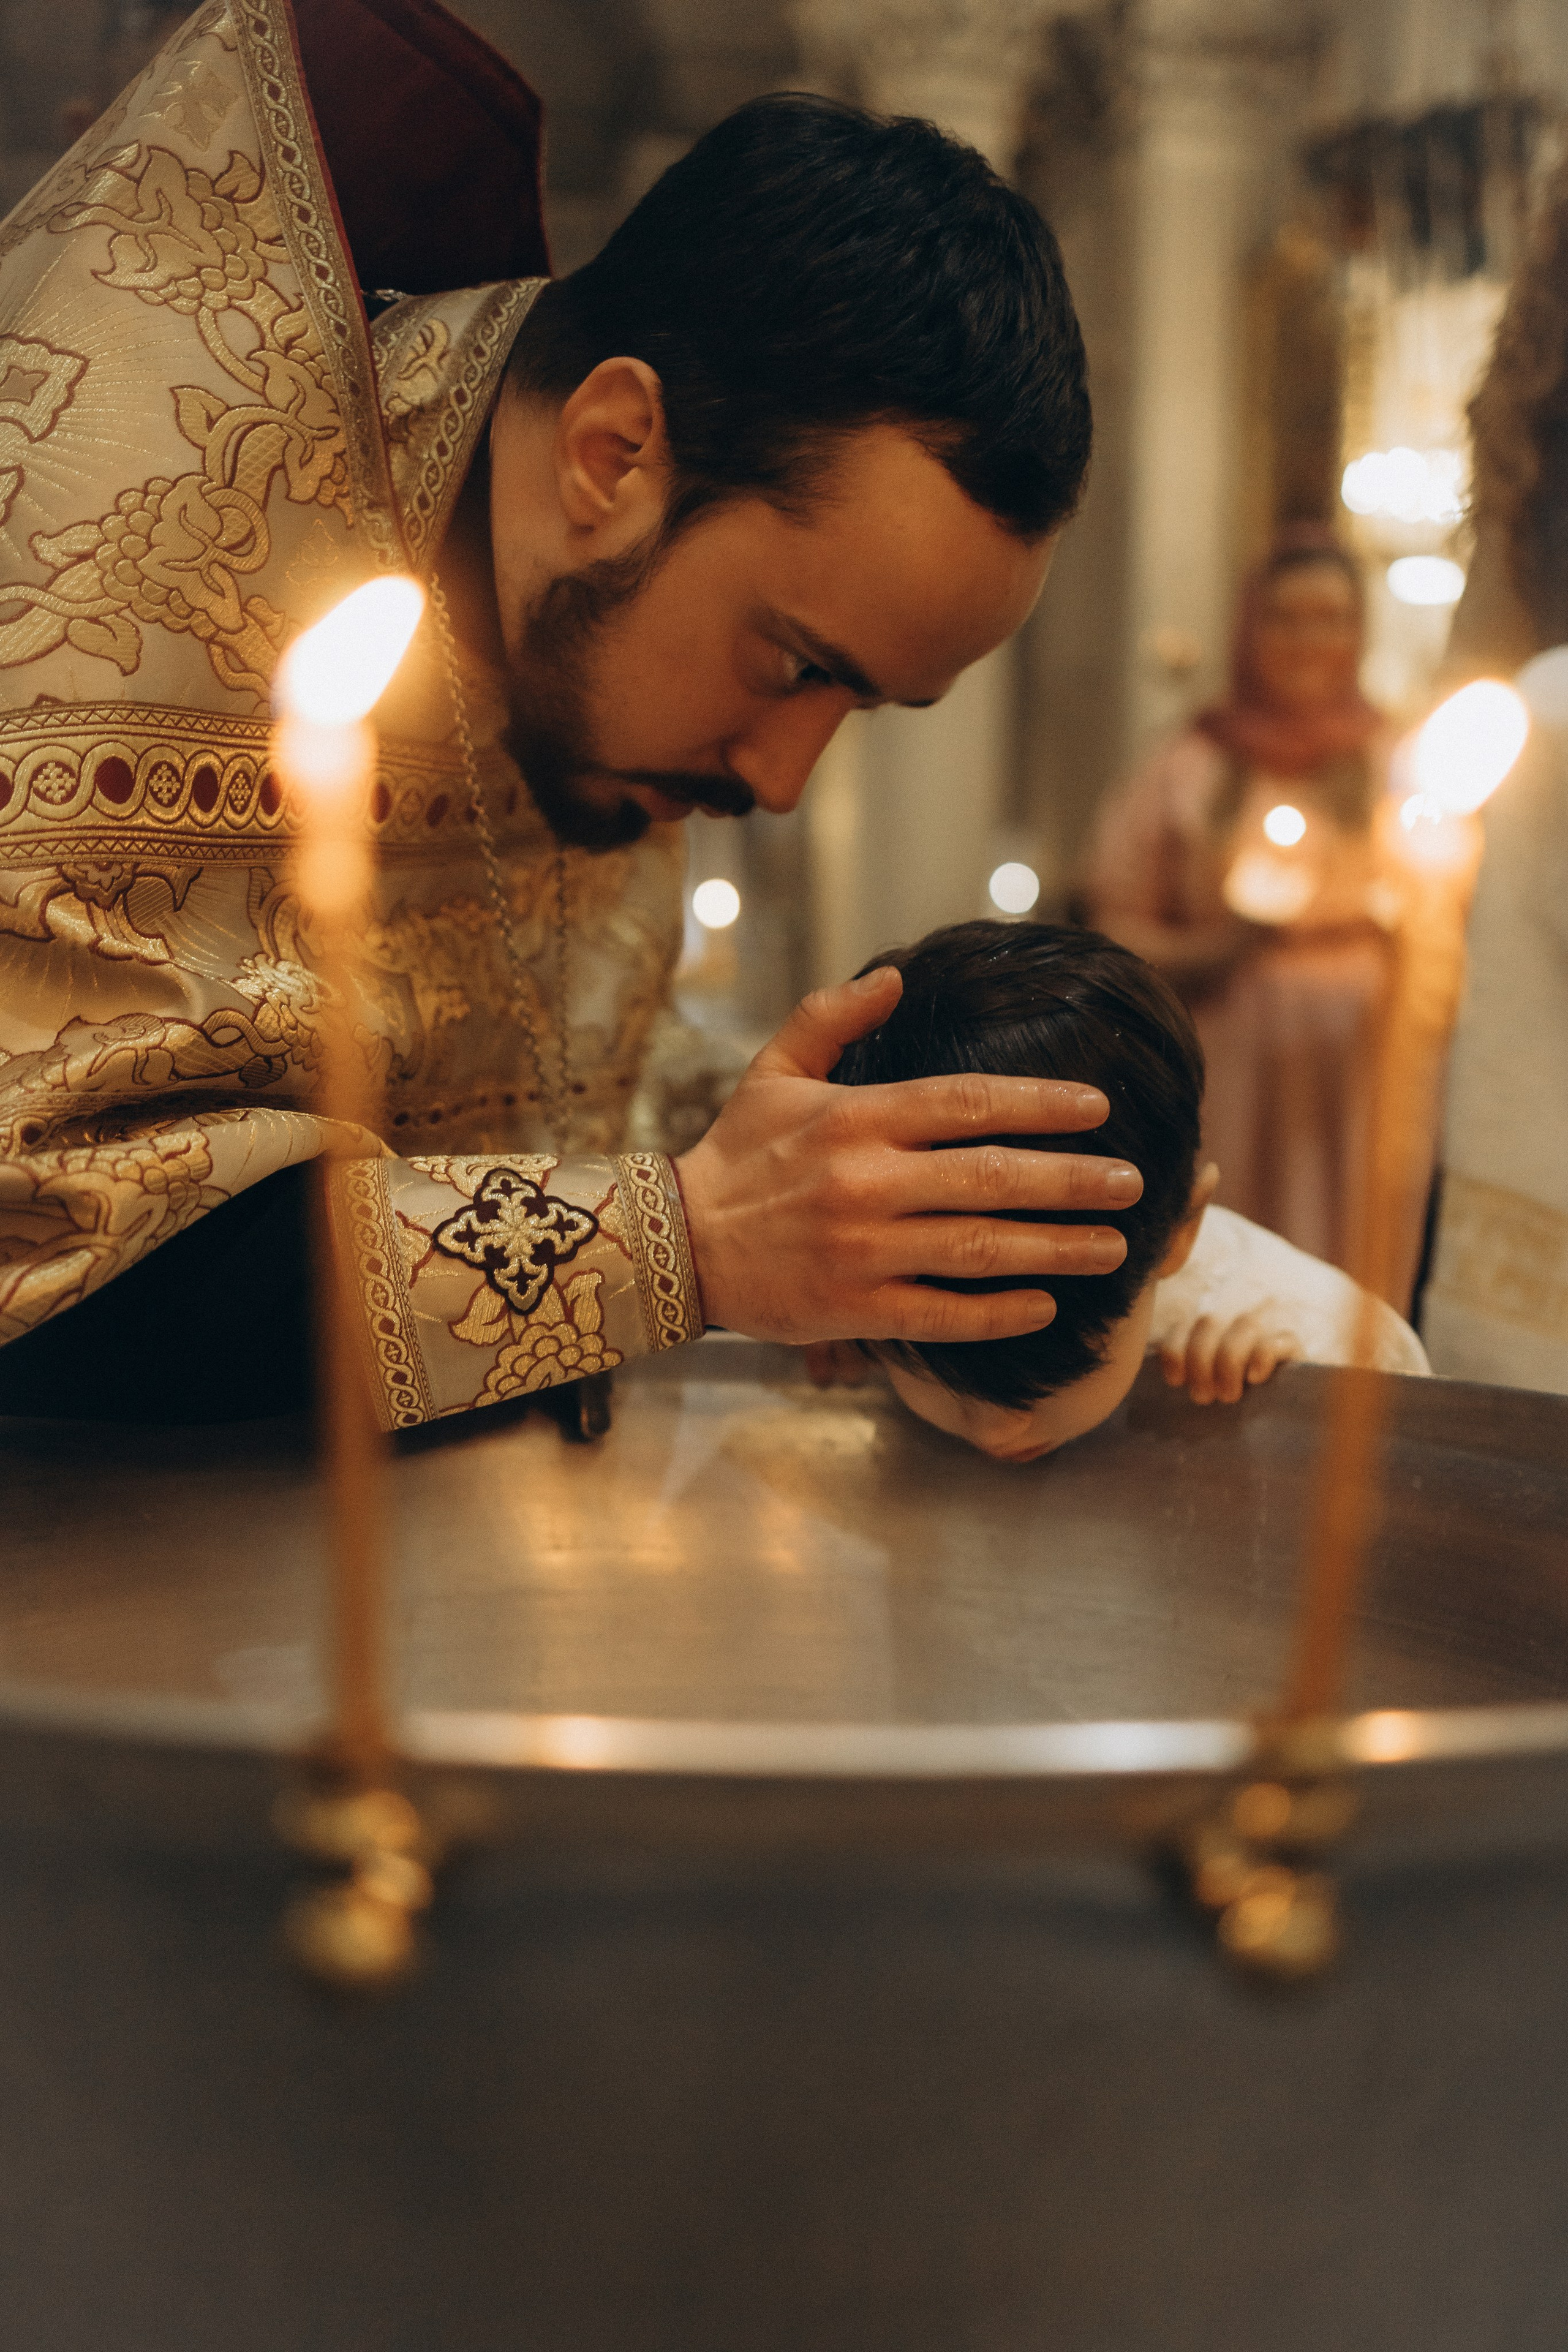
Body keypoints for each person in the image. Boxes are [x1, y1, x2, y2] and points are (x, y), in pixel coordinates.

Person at [0, 0, 1137, 1429]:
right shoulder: (122, 554)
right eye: (791, 665)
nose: (784, 778)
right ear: (614, 453)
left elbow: (543, 1083)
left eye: (867, 705)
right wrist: (694, 1245)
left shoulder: (563, 657)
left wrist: (901, 1190)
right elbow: (45, 1252)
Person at [826, 921, 1427, 1464]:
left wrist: (1299, 1400)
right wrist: (848, 1330)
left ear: (1180, 1233)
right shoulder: (868, 1270)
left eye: (1053, 1383)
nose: (998, 1433)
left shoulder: (1316, 1334)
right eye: (940, 1378)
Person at [1085, 530, 1396, 1277]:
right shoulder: (1190, 762)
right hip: (1232, 1051)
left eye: (1330, 618)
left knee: (1358, 1249)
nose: (1308, 640)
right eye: (1285, 618)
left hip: (1362, 1061)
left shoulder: (1395, 761)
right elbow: (1111, 921)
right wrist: (1220, 948)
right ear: (1250, 629)